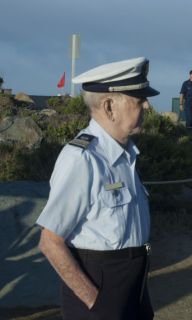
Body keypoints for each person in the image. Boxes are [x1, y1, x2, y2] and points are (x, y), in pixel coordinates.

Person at [36, 57, 159, 320]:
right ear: (109, 106)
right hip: (101, 293)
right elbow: (50, 242)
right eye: (138, 100)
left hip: (134, 287)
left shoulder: (125, 155)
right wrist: (95, 301)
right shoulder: (82, 159)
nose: (147, 104)